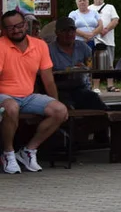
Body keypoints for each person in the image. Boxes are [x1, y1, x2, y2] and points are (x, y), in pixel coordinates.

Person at [0, 10, 68, 174]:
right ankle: (8, 154)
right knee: (11, 108)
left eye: (19, 25)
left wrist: (56, 103)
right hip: (5, 95)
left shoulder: (40, 45)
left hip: (28, 96)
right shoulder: (1, 45)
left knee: (60, 111)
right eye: (10, 28)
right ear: (4, 30)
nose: (16, 30)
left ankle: (29, 150)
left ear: (26, 25)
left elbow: (48, 79)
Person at [48, 17, 107, 111]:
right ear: (57, 33)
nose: (69, 34)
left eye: (72, 31)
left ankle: (112, 123)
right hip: (59, 89)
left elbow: (91, 66)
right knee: (66, 107)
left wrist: (85, 68)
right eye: (65, 31)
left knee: (96, 101)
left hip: (80, 88)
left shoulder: (82, 47)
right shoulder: (49, 50)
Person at [90, 0, 120, 92]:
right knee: (95, 64)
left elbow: (115, 20)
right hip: (94, 40)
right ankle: (95, 87)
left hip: (108, 40)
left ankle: (110, 85)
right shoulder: (89, 8)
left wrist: (106, 29)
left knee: (110, 63)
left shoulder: (110, 7)